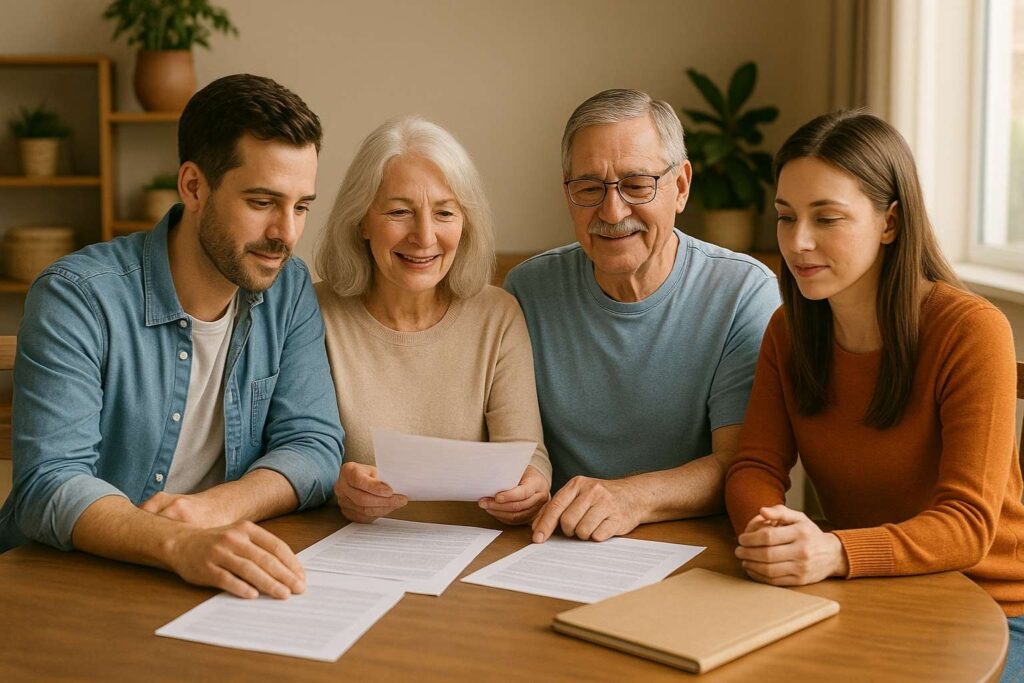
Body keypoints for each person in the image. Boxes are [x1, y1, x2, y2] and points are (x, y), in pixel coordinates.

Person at [0, 74, 346, 601]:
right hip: (66, 586)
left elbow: (314, 445)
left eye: (300, 206)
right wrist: (178, 542)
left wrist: (218, 507)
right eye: (262, 202)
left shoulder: (287, 286)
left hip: (206, 579)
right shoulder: (76, 297)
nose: (287, 233)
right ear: (193, 187)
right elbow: (49, 483)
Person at [724, 110, 1024, 681]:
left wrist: (835, 552)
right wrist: (769, 530)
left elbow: (967, 523)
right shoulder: (788, 332)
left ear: (889, 222)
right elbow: (754, 465)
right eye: (786, 217)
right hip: (866, 591)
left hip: (995, 607)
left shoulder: (971, 331)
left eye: (827, 217)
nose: (798, 242)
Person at [504, 89, 780, 543]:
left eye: (637, 185)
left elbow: (740, 461)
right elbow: (513, 448)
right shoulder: (526, 291)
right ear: (567, 192)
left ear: (681, 187)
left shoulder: (742, 292)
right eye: (590, 188)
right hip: (554, 545)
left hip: (694, 548)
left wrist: (631, 497)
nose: (612, 212)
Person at [314, 115, 552, 525]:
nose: (424, 237)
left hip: (473, 551)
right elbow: (297, 451)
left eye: (444, 213)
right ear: (362, 220)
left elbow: (527, 453)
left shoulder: (498, 315)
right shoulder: (315, 312)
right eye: (399, 211)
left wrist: (529, 488)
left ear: (465, 223)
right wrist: (337, 485)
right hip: (349, 550)